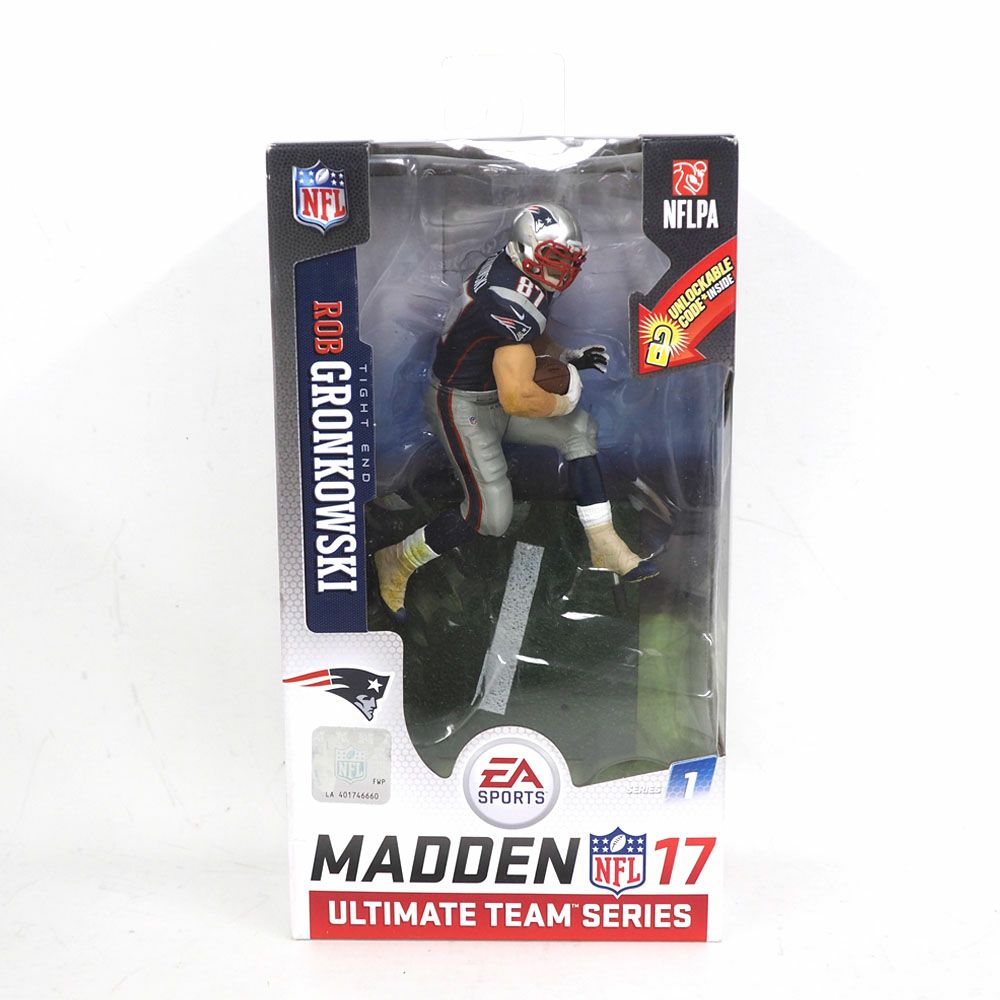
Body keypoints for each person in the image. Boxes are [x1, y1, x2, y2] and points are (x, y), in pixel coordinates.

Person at [374, 203, 658, 622]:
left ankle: (604, 543)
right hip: (462, 404)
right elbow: (517, 397)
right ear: (524, 248)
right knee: (491, 517)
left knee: (579, 430)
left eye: (571, 259)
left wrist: (565, 356)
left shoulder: (517, 272)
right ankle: (397, 559)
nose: (564, 269)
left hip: (490, 390)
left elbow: (524, 338)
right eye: (555, 257)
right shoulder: (509, 301)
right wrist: (565, 396)